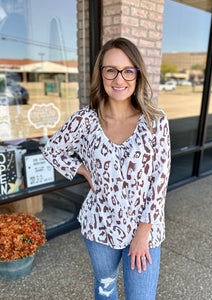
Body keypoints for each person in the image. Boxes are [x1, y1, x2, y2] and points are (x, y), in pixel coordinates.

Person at [42, 37, 171, 300]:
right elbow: (52, 150)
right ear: (101, 74)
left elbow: (160, 180)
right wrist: (83, 170)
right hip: (99, 224)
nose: (119, 79)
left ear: (138, 74)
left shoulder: (155, 121)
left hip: (144, 228)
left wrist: (142, 232)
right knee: (105, 285)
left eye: (128, 70)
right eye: (111, 70)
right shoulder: (84, 121)